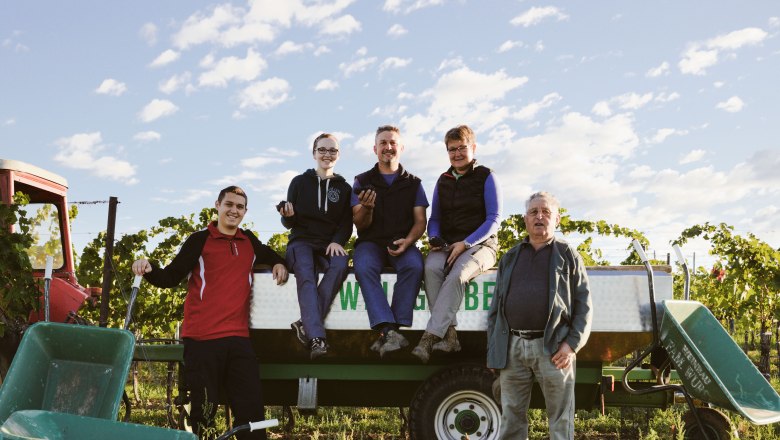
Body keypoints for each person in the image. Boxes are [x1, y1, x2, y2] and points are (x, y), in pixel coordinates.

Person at [131, 186, 288, 440]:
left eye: (239, 207)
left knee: (252, 413)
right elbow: (171, 276)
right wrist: (148, 267)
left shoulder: (249, 242)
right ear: (217, 205)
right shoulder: (200, 239)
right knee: (204, 412)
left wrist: (279, 262)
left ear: (245, 211)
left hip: (238, 339)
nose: (233, 210)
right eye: (229, 204)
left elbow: (275, 256)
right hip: (202, 340)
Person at [486, 191, 592, 440]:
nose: (539, 216)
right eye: (534, 212)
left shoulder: (568, 256)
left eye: (546, 212)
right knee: (511, 416)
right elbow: (496, 310)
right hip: (513, 348)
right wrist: (494, 350)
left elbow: (584, 305)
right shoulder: (510, 257)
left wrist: (571, 345)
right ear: (525, 219)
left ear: (557, 220)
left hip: (554, 349)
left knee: (560, 418)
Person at [411, 125, 502, 363]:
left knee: (458, 274)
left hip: (482, 245)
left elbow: (494, 219)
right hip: (449, 244)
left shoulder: (486, 176)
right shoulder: (443, 180)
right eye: (452, 149)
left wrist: (467, 242)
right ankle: (451, 337)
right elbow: (435, 219)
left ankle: (429, 337)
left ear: (473, 147)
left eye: (462, 148)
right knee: (430, 268)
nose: (457, 153)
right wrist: (434, 237)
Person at [352, 125, 428, 357]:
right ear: (375, 149)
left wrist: (408, 241)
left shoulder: (414, 183)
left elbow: (420, 221)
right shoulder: (361, 181)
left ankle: (390, 331)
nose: (388, 147)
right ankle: (388, 328)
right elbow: (359, 224)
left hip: (401, 241)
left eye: (393, 143)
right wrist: (367, 208)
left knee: (414, 265)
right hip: (370, 243)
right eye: (383, 143)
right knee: (363, 266)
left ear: (401, 148)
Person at [279, 133, 352, 360]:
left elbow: (346, 223)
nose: (327, 154)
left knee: (340, 264)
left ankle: (305, 323)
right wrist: (287, 216)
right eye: (322, 150)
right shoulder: (299, 182)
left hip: (328, 243)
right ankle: (316, 338)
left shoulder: (344, 188)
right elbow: (288, 222)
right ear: (314, 153)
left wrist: (337, 242)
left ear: (338, 155)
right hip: (301, 242)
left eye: (332, 150)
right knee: (306, 275)